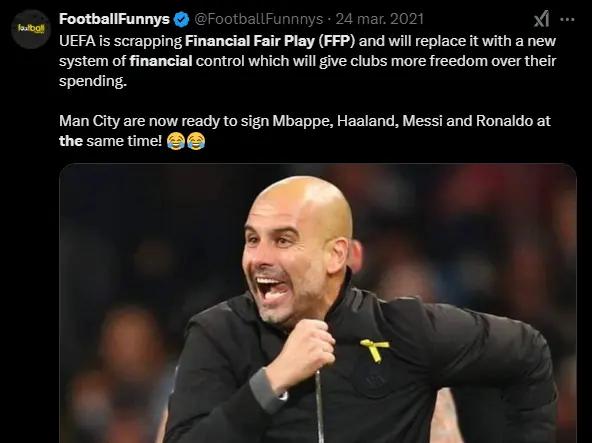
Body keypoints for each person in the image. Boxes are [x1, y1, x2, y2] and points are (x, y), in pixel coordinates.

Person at [164, 176, 556, 443]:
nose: (259, 258)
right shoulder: (219, 333)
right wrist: (272, 382)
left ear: (336, 255)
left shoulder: (403, 331)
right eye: (253, 239)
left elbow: (529, 352)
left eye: (283, 240)